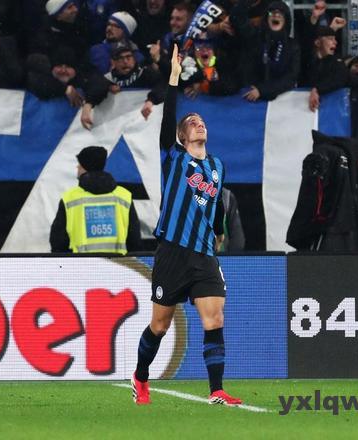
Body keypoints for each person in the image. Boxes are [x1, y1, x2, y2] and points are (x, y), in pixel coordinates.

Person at [131, 44, 242, 406]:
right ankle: (141, 376)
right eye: (192, 122)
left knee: (214, 318)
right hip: (173, 252)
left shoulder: (218, 166)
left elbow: (216, 203)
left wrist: (220, 230)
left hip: (204, 253)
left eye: (201, 121)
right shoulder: (174, 158)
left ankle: (216, 390)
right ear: (181, 136)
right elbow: (168, 122)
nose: (199, 123)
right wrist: (174, 79)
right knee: (160, 325)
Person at [49, 146, 141, 254]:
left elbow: (58, 241)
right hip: (118, 263)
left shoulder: (69, 198)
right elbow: (134, 240)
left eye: (80, 164)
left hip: (80, 263)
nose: (77, 167)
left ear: (85, 167)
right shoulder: (124, 196)